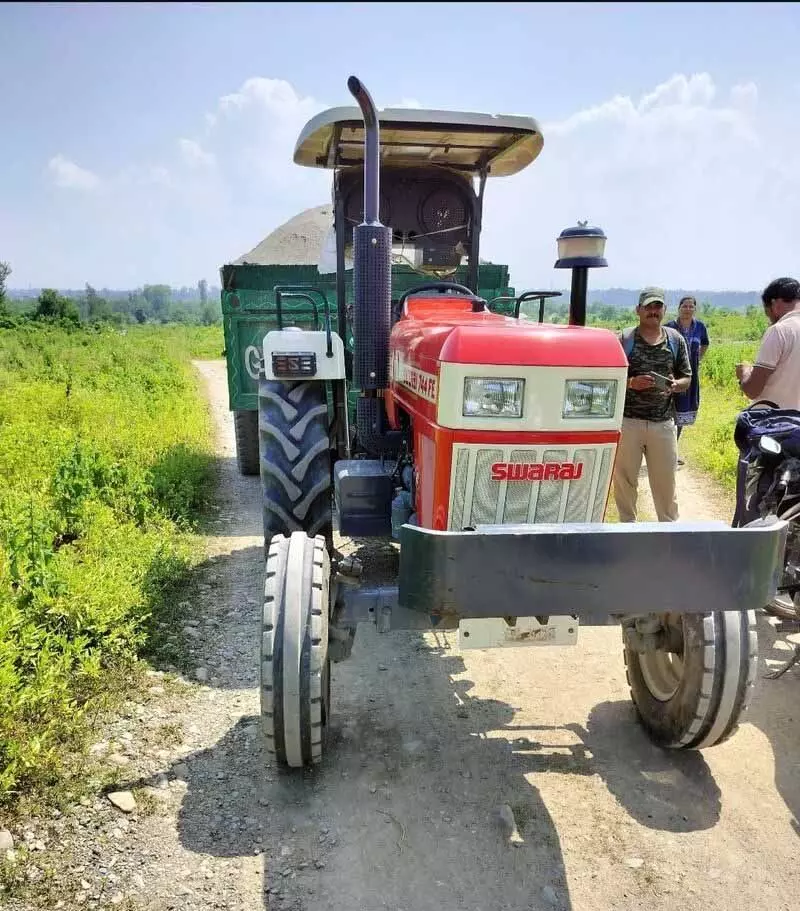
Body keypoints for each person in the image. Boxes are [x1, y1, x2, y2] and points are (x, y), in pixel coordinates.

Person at [613, 287, 692, 523]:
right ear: (638, 310)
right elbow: (611, 378)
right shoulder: (624, 340)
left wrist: (675, 385)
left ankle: (669, 532)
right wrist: (631, 383)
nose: (653, 311)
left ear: (664, 310)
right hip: (629, 422)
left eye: (657, 307)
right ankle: (627, 529)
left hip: (663, 423)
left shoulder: (675, 340)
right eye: (648, 307)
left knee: (666, 481)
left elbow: (687, 377)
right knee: (625, 481)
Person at [736, 277, 800, 410]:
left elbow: (752, 390)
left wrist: (745, 373)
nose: (771, 321)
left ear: (774, 305)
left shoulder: (780, 330)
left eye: (768, 314)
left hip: (775, 422)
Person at [666, 296, 710, 460]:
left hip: (690, 376)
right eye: (685, 306)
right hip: (671, 375)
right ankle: (664, 450)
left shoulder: (700, 327)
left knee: (681, 414)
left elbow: (705, 343)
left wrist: (697, 359)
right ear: (679, 308)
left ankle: (673, 451)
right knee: (668, 412)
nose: (688, 309)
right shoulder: (669, 327)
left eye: (691, 306)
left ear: (695, 309)